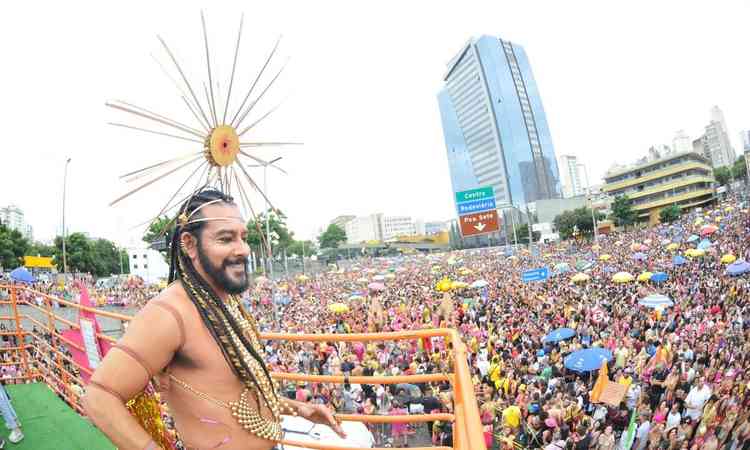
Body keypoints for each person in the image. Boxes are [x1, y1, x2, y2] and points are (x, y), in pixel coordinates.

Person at [83, 190, 345, 450]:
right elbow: (99, 397)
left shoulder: (226, 302)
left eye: (243, 237)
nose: (242, 250)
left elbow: (236, 392)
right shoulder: (168, 313)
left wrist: (300, 408)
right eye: (226, 239)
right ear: (189, 244)